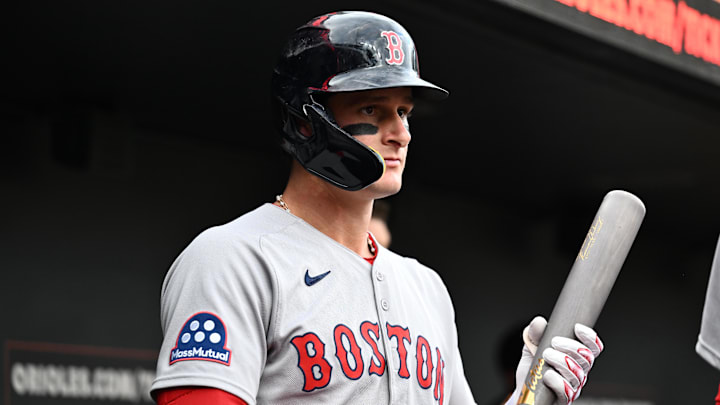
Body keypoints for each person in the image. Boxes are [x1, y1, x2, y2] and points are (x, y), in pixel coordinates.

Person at [149, 11, 604, 405]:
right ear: (307, 123)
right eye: (372, 108)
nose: (400, 133)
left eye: (404, 112)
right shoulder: (233, 259)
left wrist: (525, 394)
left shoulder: (426, 287)